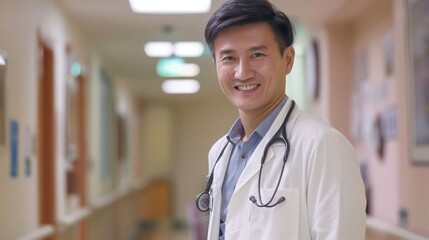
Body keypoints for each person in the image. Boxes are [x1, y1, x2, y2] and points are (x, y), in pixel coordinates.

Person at [199, 0, 367, 239]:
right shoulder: (219, 153)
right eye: (228, 58)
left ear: (288, 59)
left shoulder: (323, 146)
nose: (242, 72)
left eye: (257, 54)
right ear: (215, 64)